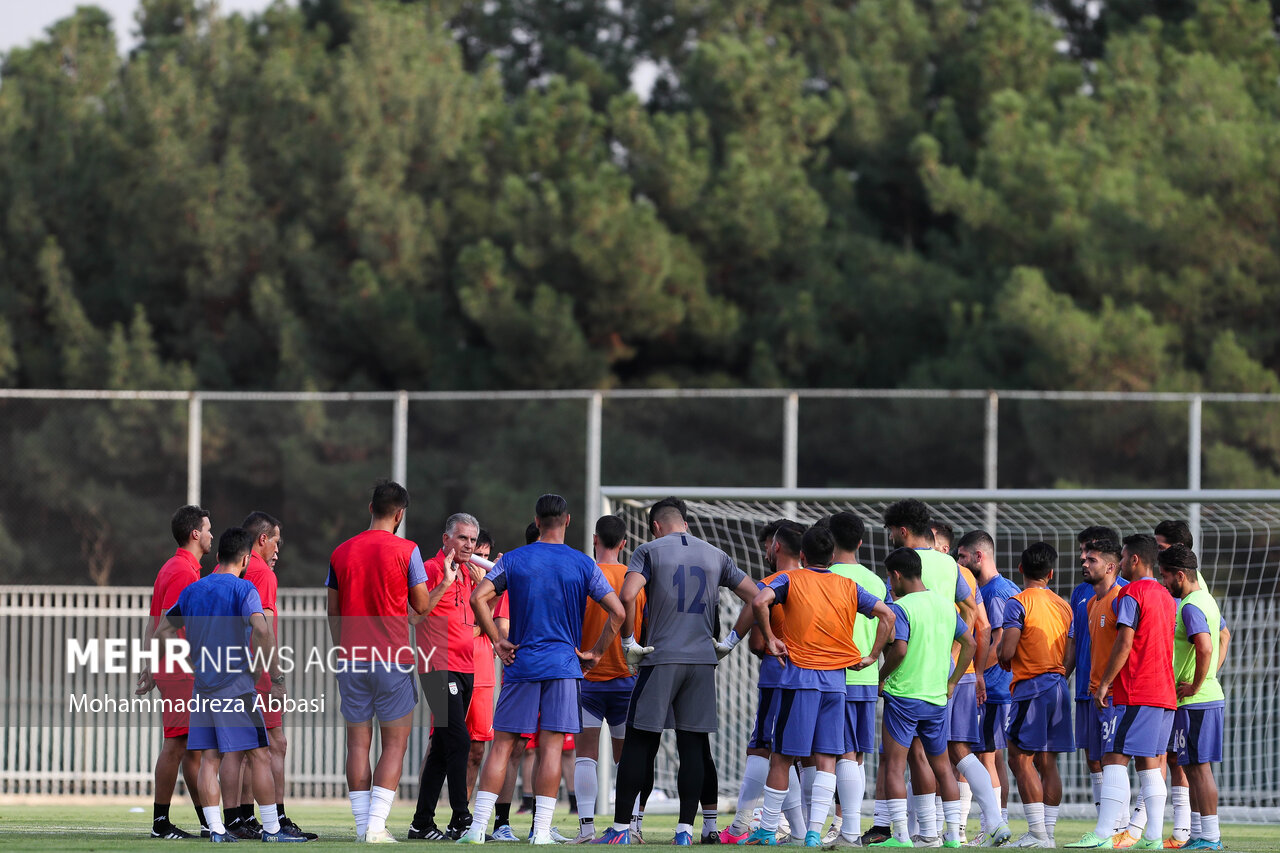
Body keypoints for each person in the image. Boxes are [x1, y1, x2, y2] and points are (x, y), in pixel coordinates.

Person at [459, 494, 626, 845]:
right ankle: (541, 832)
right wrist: (595, 653)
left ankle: (477, 830)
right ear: (567, 521)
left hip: (522, 664)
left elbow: (477, 599)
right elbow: (618, 613)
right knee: (551, 748)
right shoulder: (582, 563)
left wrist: (497, 641)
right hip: (564, 666)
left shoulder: (515, 559)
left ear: (536, 522)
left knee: (502, 745)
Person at [596, 497, 760, 845]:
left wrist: (628, 643)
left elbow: (627, 596)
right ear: (685, 522)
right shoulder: (716, 554)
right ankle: (686, 831)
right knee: (693, 745)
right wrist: (730, 641)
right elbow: (757, 596)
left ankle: (622, 830)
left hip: (661, 657)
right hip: (702, 661)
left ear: (656, 526)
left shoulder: (650, 550)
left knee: (640, 741)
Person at [742, 526, 894, 847]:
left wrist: (771, 639)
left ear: (801, 555)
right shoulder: (848, 585)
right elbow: (887, 615)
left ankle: (769, 828)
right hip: (837, 683)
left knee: (782, 756)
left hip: (800, 680)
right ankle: (813, 833)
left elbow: (760, 600)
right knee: (827, 758)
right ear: (833, 556)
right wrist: (873, 656)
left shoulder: (791, 579)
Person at [153, 527, 303, 843]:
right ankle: (274, 831)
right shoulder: (243, 589)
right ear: (246, 558)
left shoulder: (193, 590)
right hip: (236, 686)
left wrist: (190, 661)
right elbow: (262, 630)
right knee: (260, 755)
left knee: (210, 758)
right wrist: (272, 675)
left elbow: (164, 631)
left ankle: (217, 830)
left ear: (218, 556)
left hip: (202, 688)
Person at [328, 479, 438, 844]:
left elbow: (333, 613)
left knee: (357, 744)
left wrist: (342, 650)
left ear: (370, 508)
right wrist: (444, 585)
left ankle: (363, 826)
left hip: (352, 658)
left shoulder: (341, 552)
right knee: (395, 744)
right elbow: (420, 607)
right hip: (392, 658)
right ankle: (375, 826)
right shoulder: (407, 550)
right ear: (400, 514)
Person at [1067, 533, 1177, 850]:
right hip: (1164, 692)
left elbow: (1125, 642)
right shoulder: (1166, 597)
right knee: (1148, 764)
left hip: (1137, 691)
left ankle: (1104, 834)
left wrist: (1103, 682)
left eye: (1126, 556)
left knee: (1114, 757)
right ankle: (1153, 838)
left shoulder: (1130, 594)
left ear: (1133, 560)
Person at [871, 547, 975, 849]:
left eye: (891, 578)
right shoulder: (945, 606)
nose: (891, 585)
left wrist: (881, 676)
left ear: (898, 575)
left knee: (894, 764)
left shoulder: (903, 608)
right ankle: (953, 836)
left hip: (904, 696)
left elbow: (900, 650)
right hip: (936, 698)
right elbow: (970, 642)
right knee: (942, 765)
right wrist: (952, 682)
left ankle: (901, 837)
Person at [232, 511, 315, 841]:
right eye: (276, 542)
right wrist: (276, 678)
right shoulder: (261, 572)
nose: (278, 550)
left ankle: (240, 818)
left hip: (227, 669)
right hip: (257, 672)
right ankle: (275, 819)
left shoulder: (229, 568)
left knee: (238, 751)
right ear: (262, 540)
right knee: (273, 744)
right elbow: (262, 630)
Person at [135, 505, 213, 839]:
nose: (211, 535)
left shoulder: (174, 567)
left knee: (191, 750)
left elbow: (155, 619)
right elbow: (169, 623)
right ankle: (160, 823)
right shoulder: (183, 571)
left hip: (174, 667)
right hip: (181, 669)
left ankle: (209, 821)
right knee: (177, 746)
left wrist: (150, 663)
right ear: (195, 533)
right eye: (208, 529)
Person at [571, 515, 646, 843]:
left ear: (594, 539)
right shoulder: (635, 580)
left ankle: (586, 828)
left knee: (585, 753)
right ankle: (631, 826)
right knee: (627, 757)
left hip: (588, 678)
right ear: (624, 543)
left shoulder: (583, 575)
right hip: (627, 679)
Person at [998, 542, 1074, 848]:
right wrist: (1059, 675)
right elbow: (1071, 654)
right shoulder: (1063, 605)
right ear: (1051, 573)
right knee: (1047, 761)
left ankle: (1037, 833)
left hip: (1030, 687)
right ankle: (1049, 834)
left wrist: (1005, 655)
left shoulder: (1017, 602)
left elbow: (1008, 649)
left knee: (1018, 757)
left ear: (1020, 569)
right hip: (1059, 686)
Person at [411, 512, 483, 841]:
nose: (468, 544)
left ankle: (421, 823)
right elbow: (415, 615)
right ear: (446, 539)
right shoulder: (429, 568)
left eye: (472, 539)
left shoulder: (471, 572)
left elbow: (474, 617)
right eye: (462, 538)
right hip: (438, 665)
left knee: (441, 747)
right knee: (460, 739)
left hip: (466, 666)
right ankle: (461, 817)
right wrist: (444, 583)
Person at [824, 511, 885, 848]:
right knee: (857, 754)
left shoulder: (824, 577)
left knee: (836, 754)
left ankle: (845, 829)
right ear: (860, 542)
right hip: (866, 673)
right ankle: (845, 824)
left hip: (833, 674)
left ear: (828, 540)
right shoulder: (875, 580)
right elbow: (888, 628)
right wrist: (876, 659)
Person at [1160, 546, 1226, 851]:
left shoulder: (1189, 605)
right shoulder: (1207, 600)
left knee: (1199, 768)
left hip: (1197, 701)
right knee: (1194, 767)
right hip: (1202, 699)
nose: (1164, 581)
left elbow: (1205, 647)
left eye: (1165, 575)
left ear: (1180, 575)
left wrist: (1196, 685)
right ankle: (1203, 834)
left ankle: (1210, 837)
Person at [956, 529, 1019, 842]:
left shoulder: (995, 592)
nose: (960, 563)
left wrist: (977, 672)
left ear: (978, 556)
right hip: (1000, 687)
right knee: (992, 757)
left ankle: (989, 827)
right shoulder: (1003, 587)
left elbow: (996, 639)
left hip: (993, 688)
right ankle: (997, 822)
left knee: (984, 757)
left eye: (963, 557)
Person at [1064, 539, 1125, 835]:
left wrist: (1108, 683)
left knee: (1119, 758)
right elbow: (1076, 640)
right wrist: (1063, 674)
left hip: (1116, 692)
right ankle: (1109, 825)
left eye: (1091, 557)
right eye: (1083, 557)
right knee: (1094, 757)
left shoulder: (1124, 594)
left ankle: (1124, 826)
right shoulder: (1085, 598)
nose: (1083, 562)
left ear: (1111, 565)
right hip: (1089, 689)